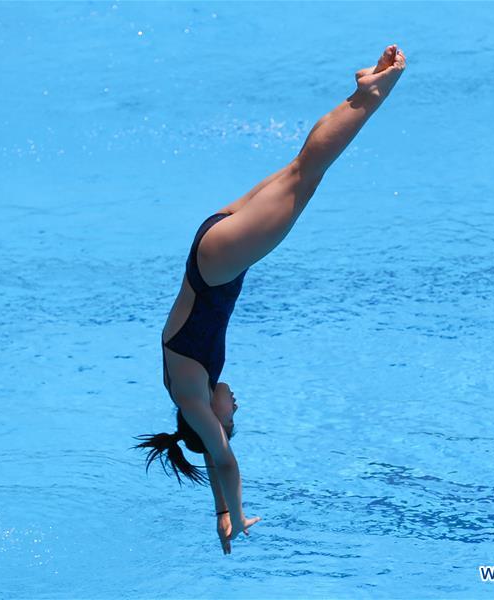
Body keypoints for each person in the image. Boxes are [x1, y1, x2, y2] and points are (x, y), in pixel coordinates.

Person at [133, 44, 407, 555]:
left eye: (229, 419)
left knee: (308, 172)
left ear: (211, 421)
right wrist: (218, 506)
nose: (234, 408)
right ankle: (360, 89)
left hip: (219, 264)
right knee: (300, 169)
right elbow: (217, 458)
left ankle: (372, 94)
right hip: (211, 249)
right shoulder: (192, 390)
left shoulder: (192, 397)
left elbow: (225, 459)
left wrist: (233, 516)